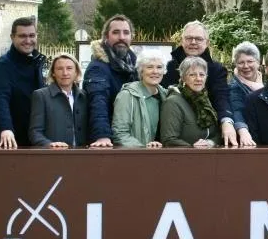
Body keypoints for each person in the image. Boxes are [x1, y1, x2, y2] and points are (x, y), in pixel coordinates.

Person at [162, 21, 237, 147]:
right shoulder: (167, 68)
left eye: (198, 39)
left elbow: (221, 97)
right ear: (182, 41)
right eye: (189, 38)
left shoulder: (216, 70)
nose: (193, 42)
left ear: (207, 43)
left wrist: (226, 121)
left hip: (207, 134)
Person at [0, 16, 46, 149]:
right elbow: (0, 97)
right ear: (12, 37)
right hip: (15, 139)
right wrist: (6, 128)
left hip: (38, 135)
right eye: (22, 36)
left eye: (31, 35)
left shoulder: (37, 60)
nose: (28, 40)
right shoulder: (5, 64)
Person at [84, 15, 137, 147]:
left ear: (131, 37)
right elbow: (98, 102)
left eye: (126, 32)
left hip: (131, 138)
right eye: (116, 32)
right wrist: (102, 136)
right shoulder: (98, 68)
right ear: (106, 37)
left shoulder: (133, 66)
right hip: (109, 141)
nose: (121, 37)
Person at [159, 56, 223, 147]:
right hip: (184, 155)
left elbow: (216, 134)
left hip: (207, 154)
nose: (198, 79)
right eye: (192, 75)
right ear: (183, 78)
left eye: (202, 75)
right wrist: (193, 148)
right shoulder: (172, 102)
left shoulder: (204, 100)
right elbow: (169, 140)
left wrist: (210, 143)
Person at [29, 53, 89, 148]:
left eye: (69, 68)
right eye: (60, 69)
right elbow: (35, 132)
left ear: (76, 72)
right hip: (54, 154)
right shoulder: (41, 95)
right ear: (53, 72)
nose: (65, 73)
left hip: (82, 154)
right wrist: (49, 144)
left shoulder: (84, 96)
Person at [111, 52, 167, 148]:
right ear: (141, 71)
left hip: (165, 154)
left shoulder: (166, 95)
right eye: (149, 67)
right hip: (139, 153)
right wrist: (144, 148)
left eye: (159, 67)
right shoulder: (127, 96)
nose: (155, 71)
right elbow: (120, 134)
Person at [228, 42, 263, 148]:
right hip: (247, 140)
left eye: (250, 61)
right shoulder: (234, 87)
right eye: (241, 62)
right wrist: (243, 131)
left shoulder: (265, 84)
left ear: (258, 62)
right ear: (236, 64)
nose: (246, 66)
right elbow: (237, 110)